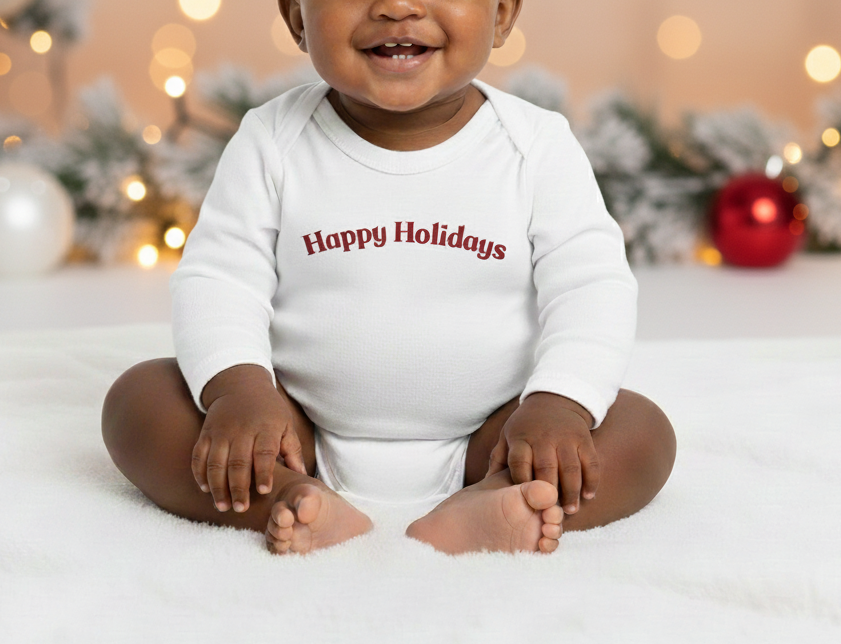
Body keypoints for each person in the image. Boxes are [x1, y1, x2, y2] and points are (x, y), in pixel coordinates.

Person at [102, 0, 676, 556]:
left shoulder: (537, 146)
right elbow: (221, 278)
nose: (398, 7)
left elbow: (589, 287)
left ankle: (499, 501)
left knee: (642, 433)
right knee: (139, 402)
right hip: (294, 433)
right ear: (296, 15)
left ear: (502, 13)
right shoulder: (271, 140)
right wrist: (239, 390)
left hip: (498, 435)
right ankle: (287, 498)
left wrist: (560, 404)